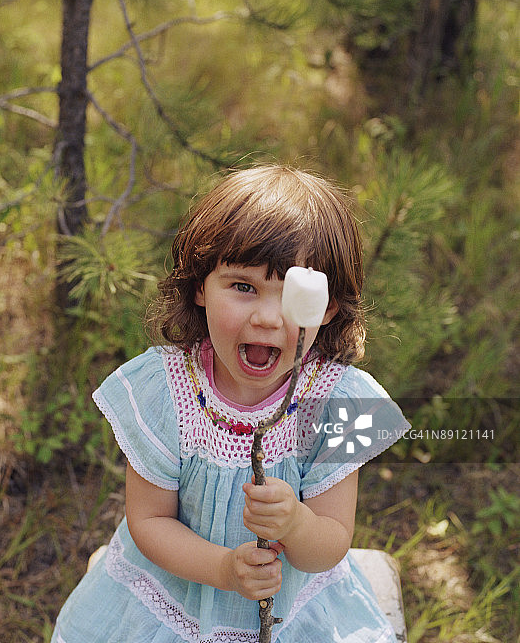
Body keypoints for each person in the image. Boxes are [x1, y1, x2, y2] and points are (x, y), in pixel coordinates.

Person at [51, 165, 411, 643]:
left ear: (326, 308)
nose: (266, 318)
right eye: (243, 287)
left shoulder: (335, 401)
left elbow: (331, 542)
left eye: (292, 297)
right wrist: (222, 568)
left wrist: (298, 525)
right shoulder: (167, 388)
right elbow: (149, 519)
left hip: (291, 606)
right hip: (176, 588)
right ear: (200, 287)